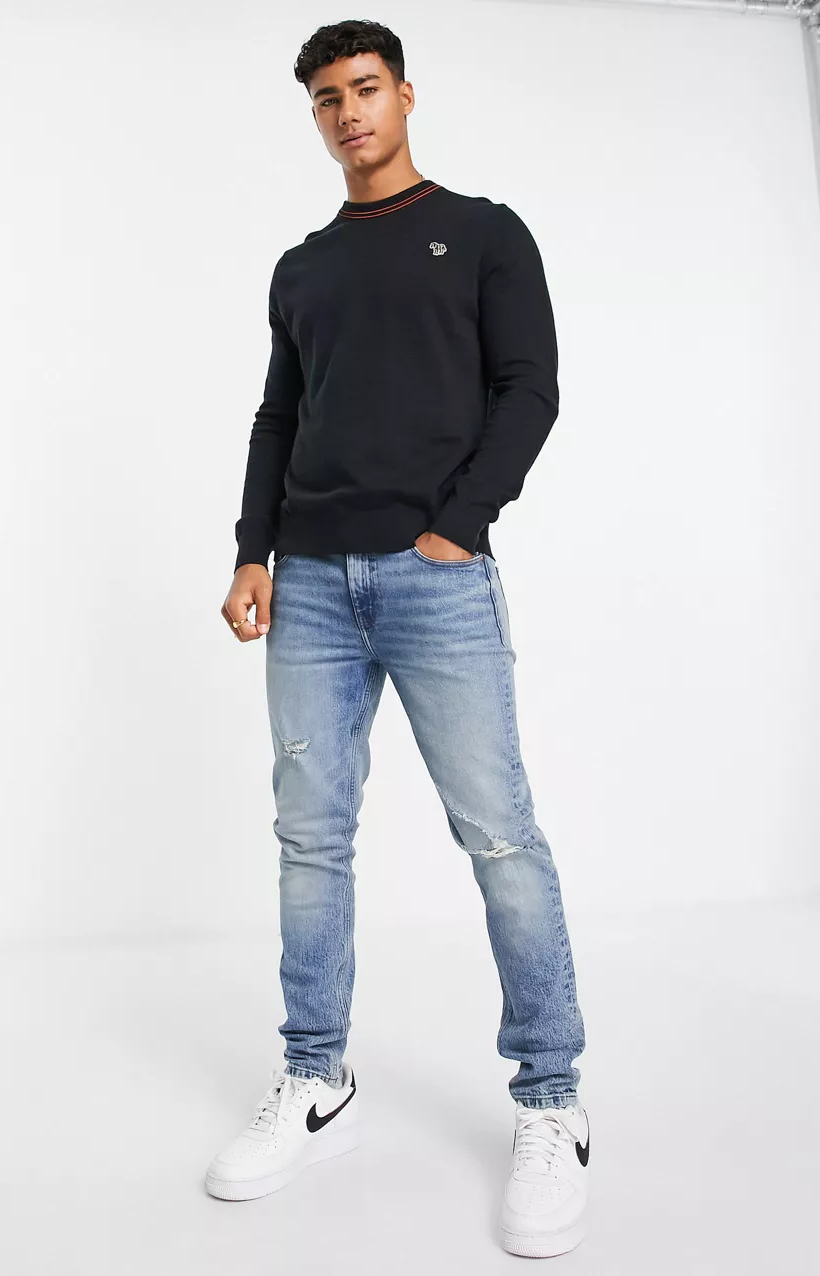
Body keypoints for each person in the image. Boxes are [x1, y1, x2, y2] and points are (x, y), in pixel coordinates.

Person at [207, 18, 589, 1258]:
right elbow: (277, 415)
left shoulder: (482, 232)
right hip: (309, 584)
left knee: (499, 833)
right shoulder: (302, 267)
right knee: (309, 841)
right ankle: (316, 1078)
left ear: (405, 95)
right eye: (325, 98)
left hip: (436, 579)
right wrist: (253, 549)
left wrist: (457, 527)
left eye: (364, 88)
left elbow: (528, 388)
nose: (347, 112)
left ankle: (550, 1097)